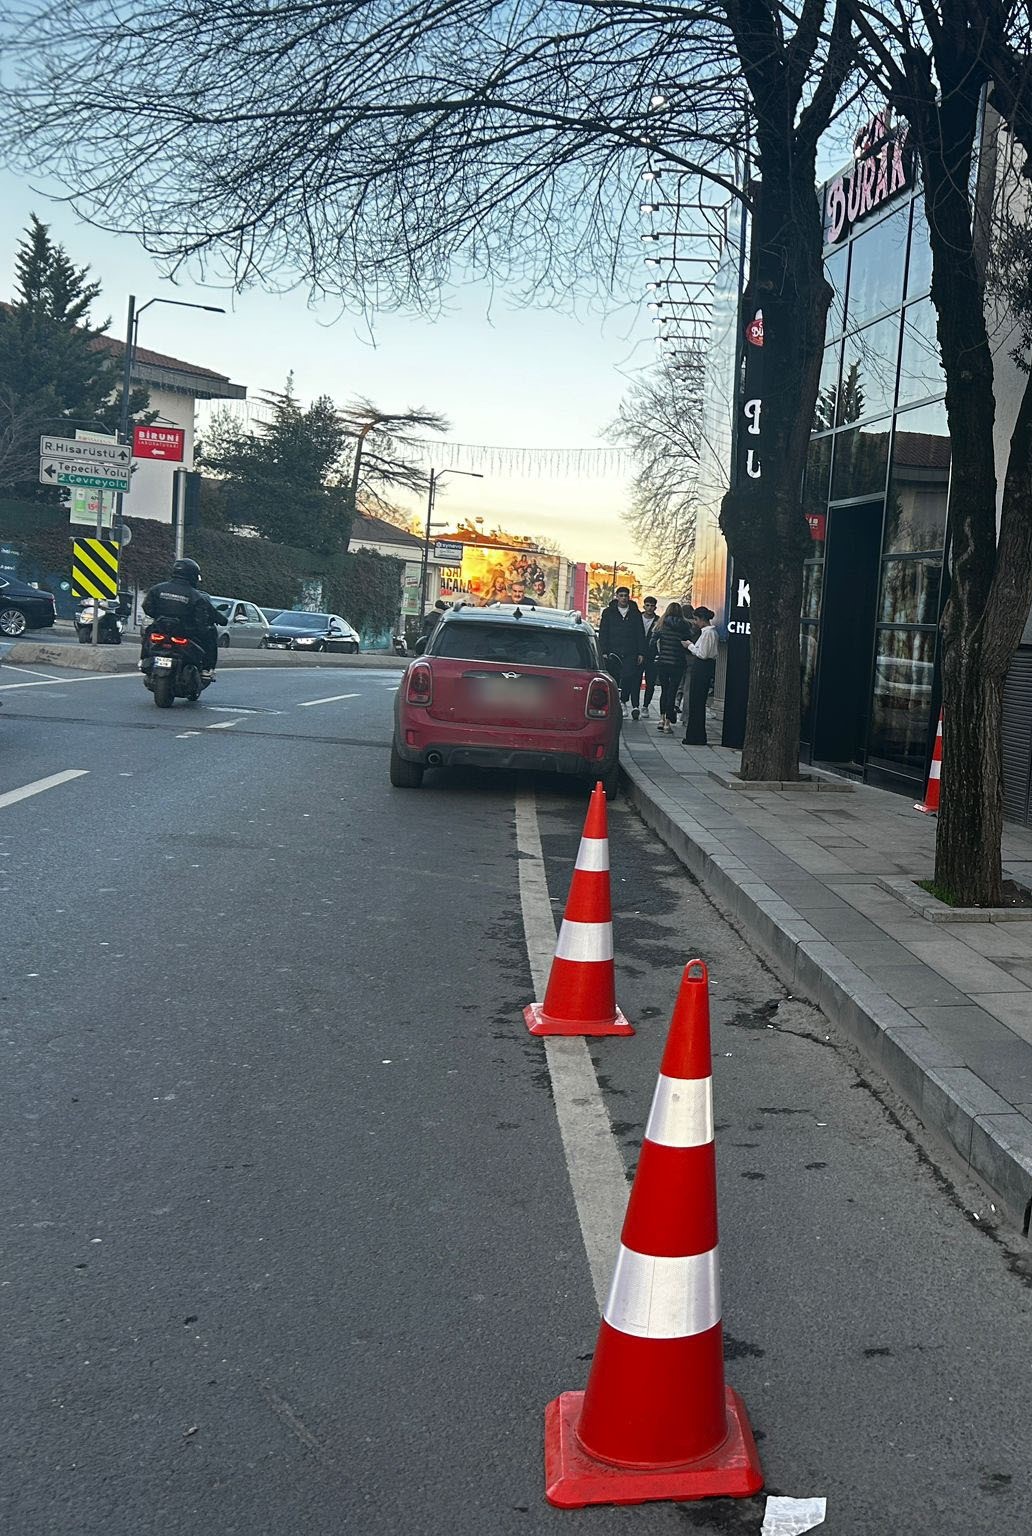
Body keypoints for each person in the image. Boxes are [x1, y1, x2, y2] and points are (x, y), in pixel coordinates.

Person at [141, 557, 225, 680]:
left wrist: (160, 616)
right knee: (211, 635)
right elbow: (200, 619)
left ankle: (143, 659)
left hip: (161, 627)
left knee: (148, 633)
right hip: (185, 631)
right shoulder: (196, 596)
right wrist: (201, 628)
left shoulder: (157, 589)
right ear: (193, 575)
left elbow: (147, 607)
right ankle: (207, 668)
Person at [597, 586, 646, 719]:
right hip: (614, 651)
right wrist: (604, 650)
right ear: (617, 596)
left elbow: (640, 633)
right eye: (621, 595)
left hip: (631, 651)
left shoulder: (635, 613)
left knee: (628, 676)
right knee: (614, 678)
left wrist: (641, 652)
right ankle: (616, 703)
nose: (624, 598)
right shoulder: (609, 612)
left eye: (626, 595)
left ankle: (623, 700)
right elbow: (603, 632)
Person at [653, 602, 695, 733]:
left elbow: (652, 641)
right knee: (673, 690)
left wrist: (658, 654)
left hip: (663, 662)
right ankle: (667, 723)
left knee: (664, 691)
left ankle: (661, 718)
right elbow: (688, 642)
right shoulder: (685, 626)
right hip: (677, 662)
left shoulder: (661, 624)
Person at [682, 607, 719, 746]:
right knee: (696, 702)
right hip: (704, 667)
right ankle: (696, 735)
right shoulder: (709, 633)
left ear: (702, 619)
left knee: (696, 702)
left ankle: (695, 736)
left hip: (702, 667)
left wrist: (689, 646)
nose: (696, 623)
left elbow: (702, 653)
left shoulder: (708, 633)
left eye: (697, 620)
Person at [640, 595, 660, 718]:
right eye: (647, 605)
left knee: (650, 682)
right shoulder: (637, 618)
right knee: (635, 679)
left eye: (652, 606)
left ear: (655, 607)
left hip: (652, 655)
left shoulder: (658, 621)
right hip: (639, 653)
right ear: (644, 606)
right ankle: (635, 704)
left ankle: (645, 706)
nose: (649, 608)